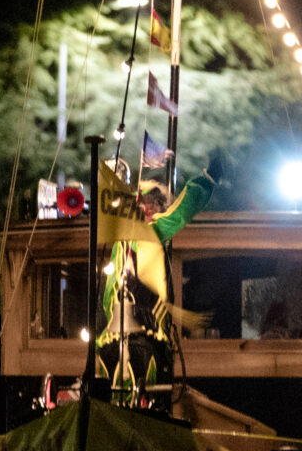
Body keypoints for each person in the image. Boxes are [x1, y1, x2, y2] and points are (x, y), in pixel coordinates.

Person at [94, 153, 222, 402]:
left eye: (154, 205)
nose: (147, 209)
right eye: (144, 204)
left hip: (138, 335)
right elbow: (180, 214)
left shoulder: (142, 235)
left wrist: (206, 181)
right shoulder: (129, 237)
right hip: (124, 335)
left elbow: (179, 214)